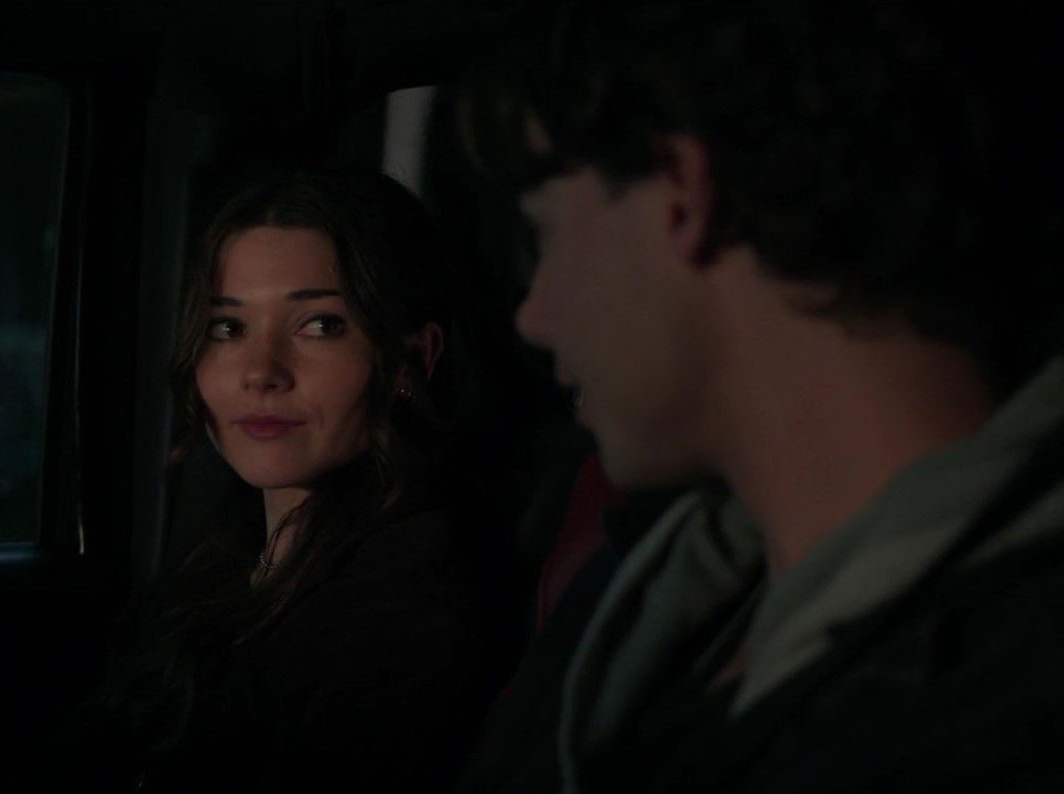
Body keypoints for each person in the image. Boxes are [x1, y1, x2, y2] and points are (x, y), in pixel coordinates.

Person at [459, 0, 1064, 790]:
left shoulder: (999, 719)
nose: (533, 316)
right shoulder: (650, 590)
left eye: (544, 231)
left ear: (681, 193)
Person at [80, 167, 509, 791]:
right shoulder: (225, 548)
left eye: (319, 325)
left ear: (410, 357)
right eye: (228, 327)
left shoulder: (409, 609)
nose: (261, 372)